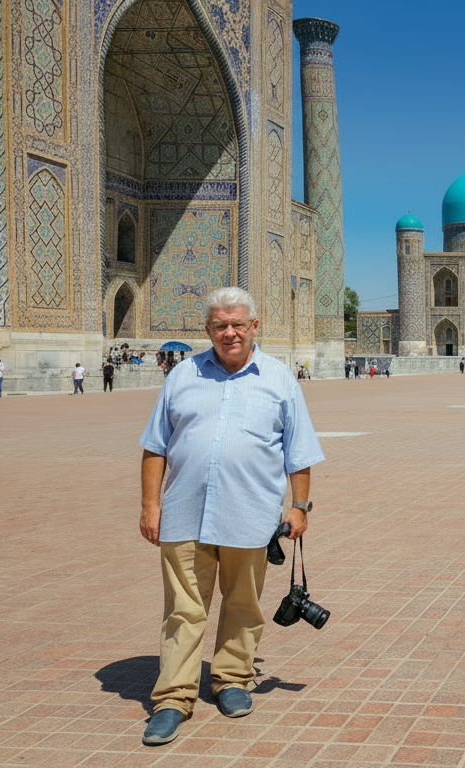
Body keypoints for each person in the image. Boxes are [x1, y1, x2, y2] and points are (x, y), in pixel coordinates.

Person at [137, 287, 324, 747]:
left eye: (238, 324)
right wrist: (150, 505)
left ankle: (233, 680)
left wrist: (298, 508)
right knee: (184, 609)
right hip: (184, 515)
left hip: (250, 515)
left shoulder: (280, 379)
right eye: (220, 325)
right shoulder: (182, 375)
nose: (230, 332)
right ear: (208, 330)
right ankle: (174, 698)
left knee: (243, 604)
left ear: (254, 326)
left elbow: (299, 454)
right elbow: (155, 447)